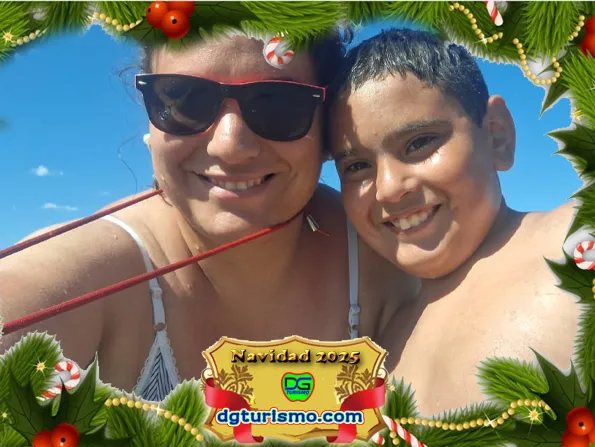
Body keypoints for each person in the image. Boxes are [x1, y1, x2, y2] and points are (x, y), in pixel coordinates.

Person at [0, 30, 419, 402]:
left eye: (277, 104)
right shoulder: (100, 267)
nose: (229, 146)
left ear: (326, 128)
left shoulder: (391, 256)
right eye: (184, 100)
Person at [327, 28, 579, 415]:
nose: (388, 189)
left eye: (419, 143)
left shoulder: (572, 247)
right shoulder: (386, 341)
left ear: (496, 136)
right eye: (357, 166)